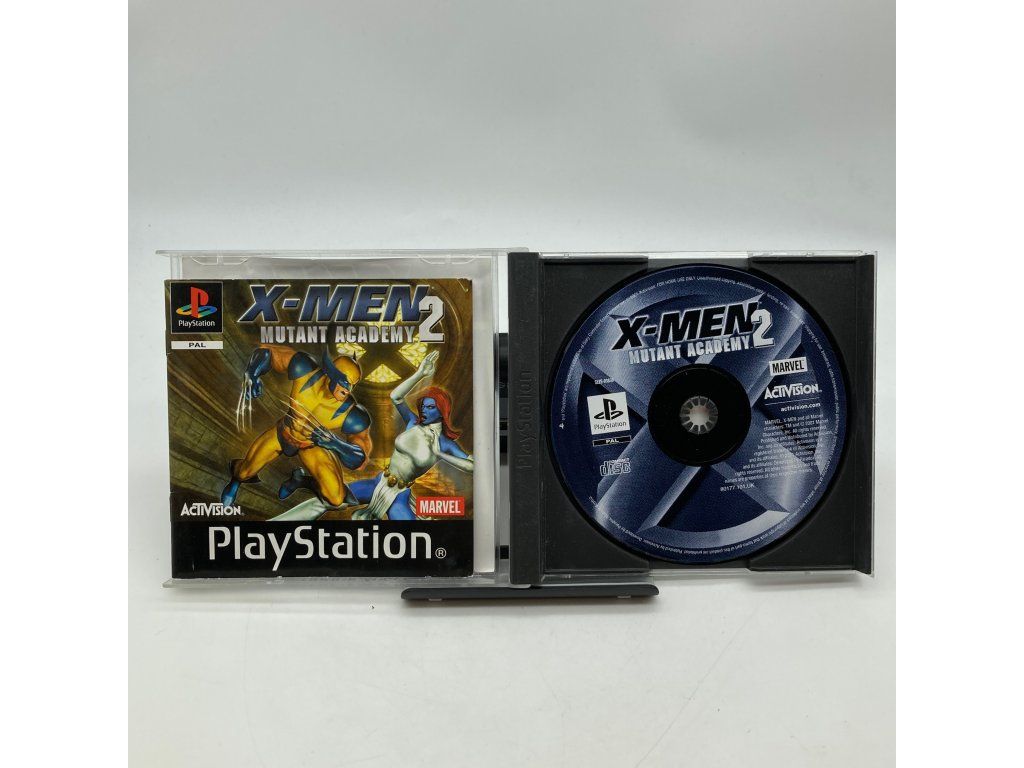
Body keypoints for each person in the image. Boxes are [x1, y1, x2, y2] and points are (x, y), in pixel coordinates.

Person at [220, 344, 372, 511]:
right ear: (331, 373)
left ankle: (301, 481)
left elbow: (359, 458)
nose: (347, 390)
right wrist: (252, 373)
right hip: (283, 433)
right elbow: (267, 351)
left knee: (336, 498)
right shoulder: (304, 369)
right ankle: (235, 482)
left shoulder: (352, 414)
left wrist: (336, 444)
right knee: (243, 472)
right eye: (344, 382)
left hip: (310, 446)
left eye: (352, 385)